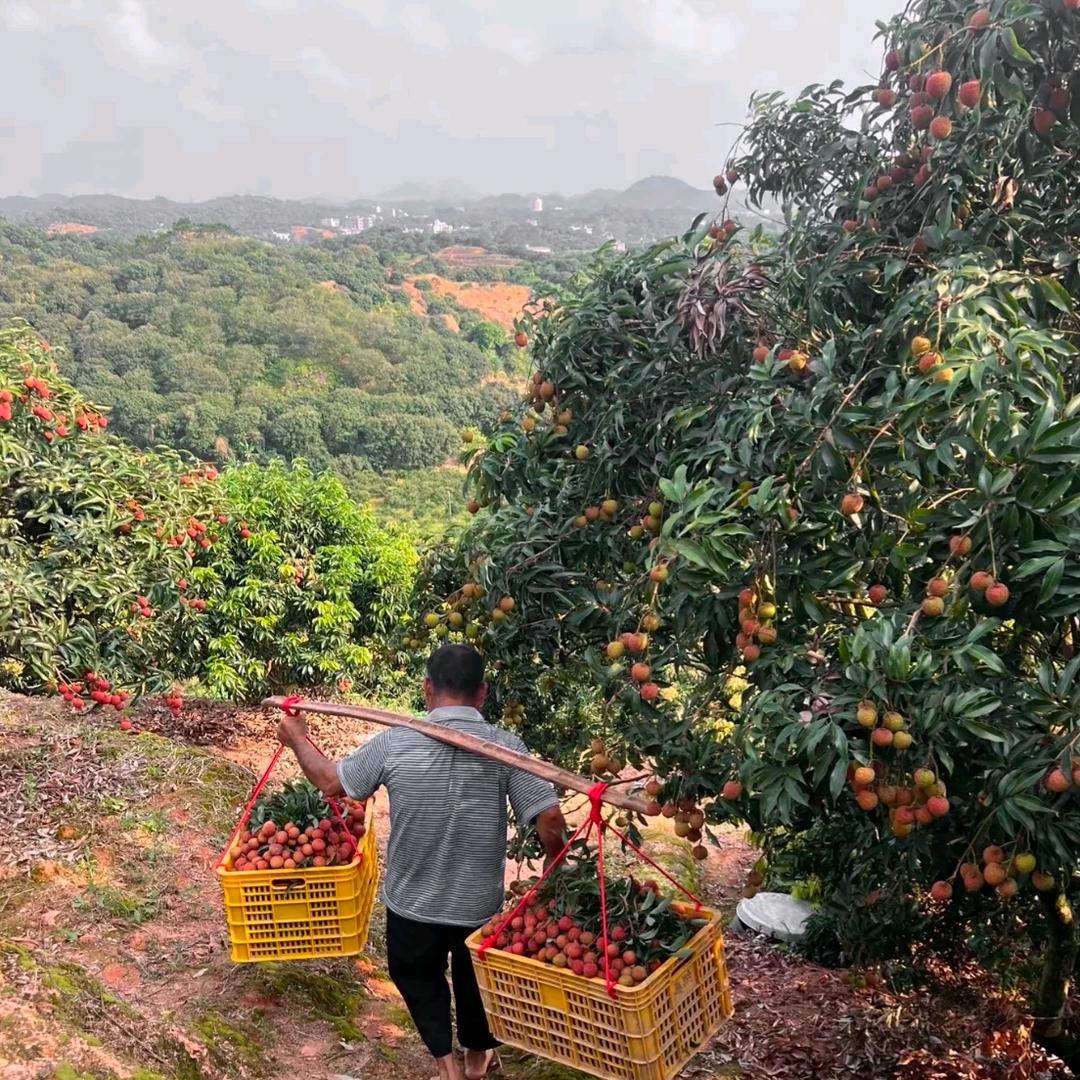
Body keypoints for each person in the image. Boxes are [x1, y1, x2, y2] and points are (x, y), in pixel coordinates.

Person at [277, 643, 567, 1080]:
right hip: (476, 907)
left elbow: (330, 781)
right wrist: (553, 863)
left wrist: (297, 738)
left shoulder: (396, 741)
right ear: (483, 692)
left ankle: (446, 1067)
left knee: (418, 980)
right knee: (476, 991)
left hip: (412, 902)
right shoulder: (505, 748)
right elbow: (549, 816)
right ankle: (475, 1063)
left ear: (427, 688)